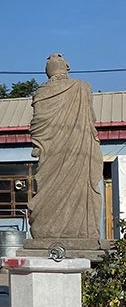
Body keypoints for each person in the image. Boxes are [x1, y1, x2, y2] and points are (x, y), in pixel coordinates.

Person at [28, 54, 102, 240]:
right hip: (78, 150)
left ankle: (45, 229)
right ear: (66, 68)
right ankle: (82, 231)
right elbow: (90, 120)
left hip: (50, 154)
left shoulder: (41, 93)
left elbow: (37, 128)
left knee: (47, 187)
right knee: (79, 187)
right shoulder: (82, 87)